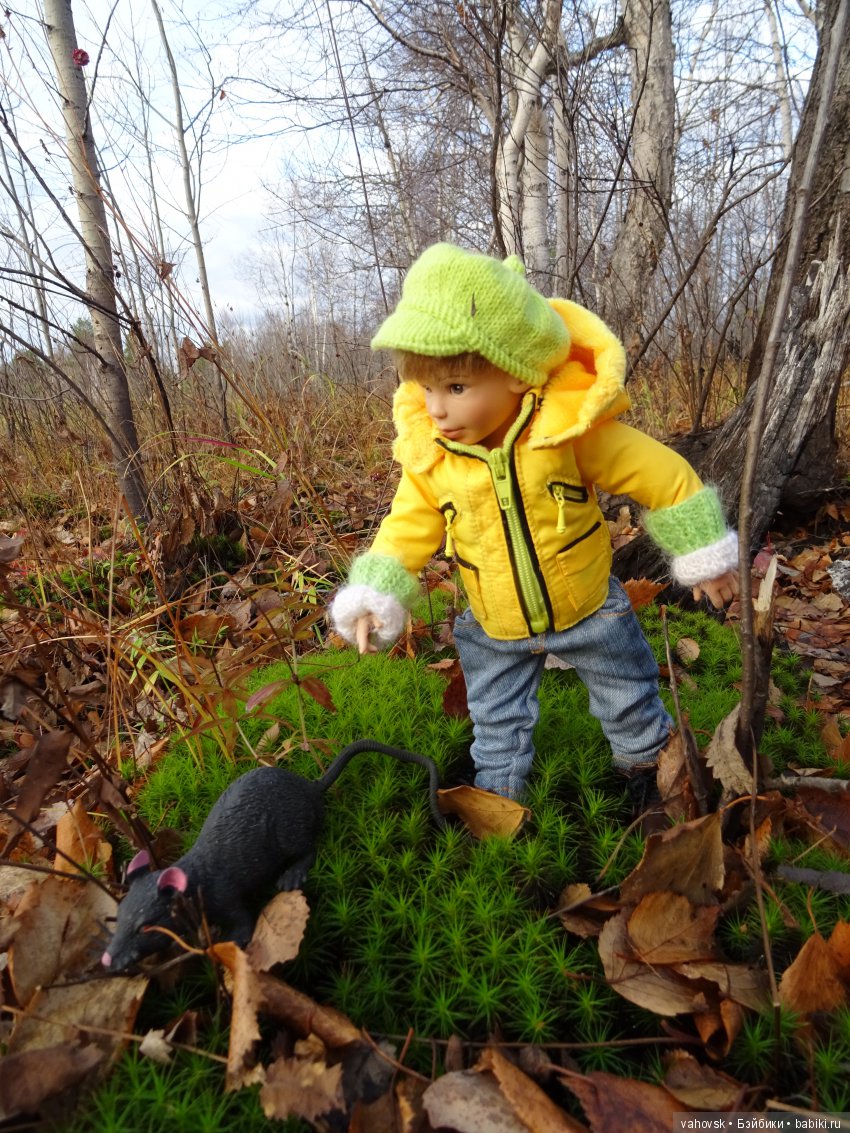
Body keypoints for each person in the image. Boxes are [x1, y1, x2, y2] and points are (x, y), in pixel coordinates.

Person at [328, 243, 739, 809]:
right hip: (494, 626)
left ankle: (649, 775)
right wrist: (375, 595)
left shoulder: (566, 433)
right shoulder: (435, 457)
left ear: (518, 376)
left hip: (591, 610)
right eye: (426, 389)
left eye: (455, 388)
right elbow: (405, 527)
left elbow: (661, 475)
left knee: (629, 697)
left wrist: (704, 552)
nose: (438, 409)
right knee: (496, 723)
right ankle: (498, 801)